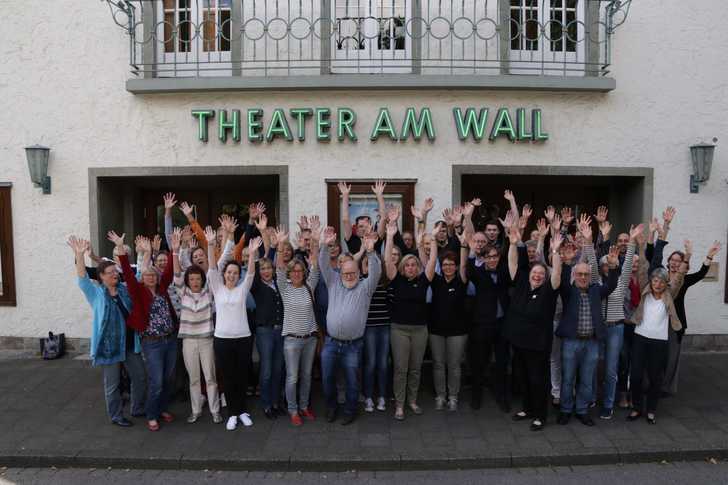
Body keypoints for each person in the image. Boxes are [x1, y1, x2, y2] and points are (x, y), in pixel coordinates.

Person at [69, 236, 145, 427]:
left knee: (140, 377)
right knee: (112, 384)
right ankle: (116, 416)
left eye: (115, 272)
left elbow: (137, 275)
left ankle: (137, 408)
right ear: (101, 276)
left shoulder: (125, 289)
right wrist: (79, 255)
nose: (114, 275)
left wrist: (143, 253)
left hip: (129, 342)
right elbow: (82, 280)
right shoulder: (97, 294)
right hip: (109, 347)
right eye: (110, 273)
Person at [111, 230, 178, 432]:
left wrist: (174, 250)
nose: (150, 277)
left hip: (170, 339)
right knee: (156, 380)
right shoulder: (138, 290)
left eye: (153, 275)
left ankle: (161, 408)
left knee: (168, 379)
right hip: (152, 342)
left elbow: (169, 273)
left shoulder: (163, 288)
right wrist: (121, 248)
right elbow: (129, 274)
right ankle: (151, 414)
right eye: (147, 274)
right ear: (143, 277)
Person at [555, 215, 618, 427]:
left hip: (591, 342)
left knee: (586, 380)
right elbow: (563, 280)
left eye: (586, 274)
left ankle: (581, 410)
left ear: (590, 276)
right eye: (579, 274)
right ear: (575, 275)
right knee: (568, 378)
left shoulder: (595, 290)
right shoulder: (568, 291)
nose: (583, 277)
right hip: (571, 342)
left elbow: (611, 284)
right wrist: (567, 262)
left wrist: (613, 265)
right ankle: (565, 409)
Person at [503, 221, 563, 431]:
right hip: (519, 341)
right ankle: (527, 409)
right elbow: (512, 265)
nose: (537, 275)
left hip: (538, 344)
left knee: (538, 379)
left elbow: (556, 274)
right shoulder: (521, 284)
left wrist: (554, 251)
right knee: (523, 377)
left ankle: (540, 415)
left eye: (540, 274)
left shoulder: (549, 290)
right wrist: (512, 244)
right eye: (534, 273)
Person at [319, 227, 381, 425]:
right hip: (330, 343)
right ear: (341, 272)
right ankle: (331, 407)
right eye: (346, 272)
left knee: (353, 382)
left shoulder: (365, 287)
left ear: (357, 272)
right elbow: (322, 264)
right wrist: (324, 245)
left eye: (353, 272)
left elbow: (376, 272)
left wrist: (370, 251)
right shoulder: (333, 282)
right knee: (327, 379)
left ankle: (351, 410)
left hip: (353, 345)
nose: (349, 275)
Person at [206, 226, 261, 431]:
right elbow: (212, 269)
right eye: (229, 272)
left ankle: (242, 411)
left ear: (239, 275)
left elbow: (252, 273)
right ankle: (232, 414)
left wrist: (253, 253)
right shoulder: (217, 288)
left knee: (241, 377)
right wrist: (211, 244)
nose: (231, 275)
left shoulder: (242, 289)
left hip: (243, 338)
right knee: (228, 378)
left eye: (235, 272)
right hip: (222, 340)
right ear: (225, 274)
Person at [627, 239, 688, 424]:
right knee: (636, 376)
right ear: (651, 281)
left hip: (659, 342)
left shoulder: (670, 294)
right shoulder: (646, 290)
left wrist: (688, 257)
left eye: (661, 281)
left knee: (655, 378)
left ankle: (651, 410)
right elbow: (644, 267)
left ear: (665, 283)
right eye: (655, 280)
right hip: (640, 338)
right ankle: (637, 407)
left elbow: (678, 278)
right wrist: (639, 245)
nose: (658, 284)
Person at [169, 228, 223, 425]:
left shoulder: (209, 292)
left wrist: (209, 245)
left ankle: (215, 410)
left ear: (202, 280)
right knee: (193, 379)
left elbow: (213, 271)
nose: (194, 281)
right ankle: (195, 410)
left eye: (197, 278)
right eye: (191, 279)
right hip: (189, 341)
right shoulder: (183, 293)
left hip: (207, 340)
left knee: (210, 377)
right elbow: (176, 274)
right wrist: (175, 251)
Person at [384, 219, 432, 420]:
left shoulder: (423, 280)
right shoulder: (396, 279)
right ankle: (400, 405)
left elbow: (433, 261)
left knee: (415, 368)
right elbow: (388, 260)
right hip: (399, 330)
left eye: (414, 265)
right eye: (408, 265)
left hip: (420, 330)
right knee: (400, 369)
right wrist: (389, 235)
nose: (411, 267)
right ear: (403, 267)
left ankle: (412, 401)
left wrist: (431, 243)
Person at [660, 240, 721, 395]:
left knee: (671, 358)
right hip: (657, 322)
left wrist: (709, 256)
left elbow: (701, 274)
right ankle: (654, 383)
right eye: (672, 260)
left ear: (683, 265)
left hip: (675, 323)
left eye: (678, 261)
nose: (674, 263)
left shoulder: (684, 280)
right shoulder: (660, 277)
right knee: (657, 355)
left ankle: (665, 387)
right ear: (668, 262)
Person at [274, 224, 321, 426]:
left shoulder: (309, 286)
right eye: (293, 271)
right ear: (289, 273)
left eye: (300, 271)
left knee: (307, 376)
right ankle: (293, 410)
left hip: (310, 339)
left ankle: (303, 406)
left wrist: (316, 243)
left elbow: (316, 268)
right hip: (292, 341)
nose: (296, 274)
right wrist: (281, 243)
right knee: (292, 378)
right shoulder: (284, 289)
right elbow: (279, 268)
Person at [597, 223, 642, 419]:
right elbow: (591, 258)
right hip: (597, 328)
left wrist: (632, 241)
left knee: (611, 369)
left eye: (611, 263)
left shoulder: (621, 282)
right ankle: (589, 398)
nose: (608, 266)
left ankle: (608, 404)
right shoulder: (595, 282)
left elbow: (629, 259)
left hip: (616, 328)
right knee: (590, 368)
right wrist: (595, 238)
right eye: (605, 264)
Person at [426, 229, 470, 412]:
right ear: (441, 266)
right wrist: (432, 240)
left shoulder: (461, 280)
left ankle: (453, 396)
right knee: (438, 364)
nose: (448, 267)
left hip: (458, 331)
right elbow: (427, 261)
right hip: (436, 330)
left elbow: (463, 264)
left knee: (453, 365)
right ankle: (440, 395)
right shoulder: (435, 280)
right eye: (445, 265)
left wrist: (462, 244)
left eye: (451, 264)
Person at [250, 256, 286, 420]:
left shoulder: (279, 283)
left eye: (268, 268)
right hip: (265, 331)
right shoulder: (256, 285)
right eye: (262, 269)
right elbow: (254, 269)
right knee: (267, 370)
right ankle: (266, 404)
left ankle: (276, 402)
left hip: (280, 331)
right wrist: (254, 252)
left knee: (279, 369)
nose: (266, 271)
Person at [360, 249, 391, 413]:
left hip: (385, 326)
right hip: (369, 327)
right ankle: (369, 396)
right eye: (367, 264)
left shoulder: (386, 282)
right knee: (370, 363)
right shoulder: (361, 282)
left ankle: (382, 396)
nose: (370, 267)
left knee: (384, 363)